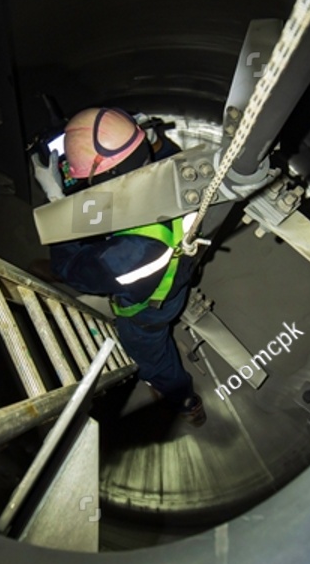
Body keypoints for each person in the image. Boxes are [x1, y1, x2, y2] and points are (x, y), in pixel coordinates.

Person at [47, 106, 206, 427]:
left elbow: (72, 270)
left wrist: (58, 207)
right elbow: (167, 155)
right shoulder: (177, 172)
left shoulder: (133, 253)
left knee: (153, 356)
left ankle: (183, 398)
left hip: (147, 314)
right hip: (179, 276)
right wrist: (156, 143)